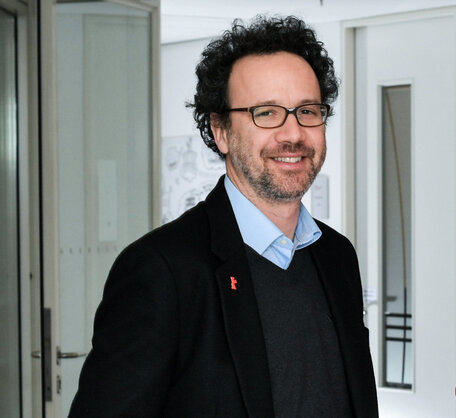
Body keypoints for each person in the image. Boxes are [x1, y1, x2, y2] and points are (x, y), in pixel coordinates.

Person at [70, 15, 378, 417]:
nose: (293, 133)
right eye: (266, 113)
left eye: (307, 111)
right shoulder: (161, 271)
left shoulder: (337, 256)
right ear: (220, 131)